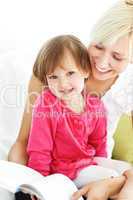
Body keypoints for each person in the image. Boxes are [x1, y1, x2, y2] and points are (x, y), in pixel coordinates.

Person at [8, 0, 133, 199]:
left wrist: (125, 184)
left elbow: (99, 143)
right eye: (99, 47)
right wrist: (30, 181)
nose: (101, 63)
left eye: (117, 57)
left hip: (96, 164)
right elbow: (29, 144)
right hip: (62, 168)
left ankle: (112, 185)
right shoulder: (54, 67)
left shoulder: (99, 103)